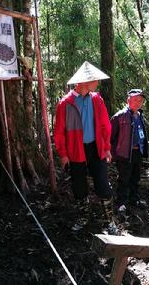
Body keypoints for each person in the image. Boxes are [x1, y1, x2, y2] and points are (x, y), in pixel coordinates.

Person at [54, 61, 115, 228]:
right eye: (95, 80)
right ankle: (83, 217)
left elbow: (105, 125)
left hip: (96, 148)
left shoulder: (97, 99)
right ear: (84, 81)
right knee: (79, 185)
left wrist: (107, 148)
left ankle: (109, 221)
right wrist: (63, 154)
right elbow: (59, 131)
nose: (97, 83)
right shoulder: (65, 104)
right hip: (75, 151)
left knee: (102, 183)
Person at [110, 89, 148, 214]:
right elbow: (111, 137)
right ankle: (121, 202)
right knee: (124, 178)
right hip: (124, 154)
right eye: (135, 100)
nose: (138, 103)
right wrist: (113, 153)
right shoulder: (120, 116)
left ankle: (134, 199)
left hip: (138, 152)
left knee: (135, 177)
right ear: (128, 100)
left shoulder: (140, 115)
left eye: (140, 100)